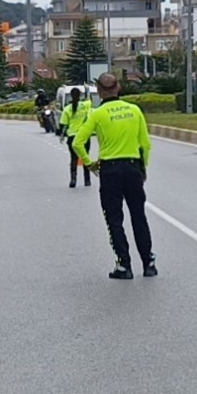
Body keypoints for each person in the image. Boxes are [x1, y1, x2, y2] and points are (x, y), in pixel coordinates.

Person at [73, 74, 157, 280]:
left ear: (99, 91)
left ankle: (124, 265)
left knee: (114, 219)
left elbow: (77, 142)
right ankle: (148, 263)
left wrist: (90, 163)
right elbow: (145, 144)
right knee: (139, 215)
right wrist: (143, 167)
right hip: (133, 167)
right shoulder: (134, 110)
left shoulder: (97, 114)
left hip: (110, 171)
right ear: (118, 87)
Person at [60, 88, 93, 188]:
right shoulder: (85, 105)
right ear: (80, 96)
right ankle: (87, 180)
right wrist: (87, 89)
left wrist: (62, 134)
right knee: (85, 156)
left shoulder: (67, 109)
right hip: (84, 136)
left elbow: (63, 124)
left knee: (73, 158)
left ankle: (73, 180)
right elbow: (89, 99)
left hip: (72, 137)